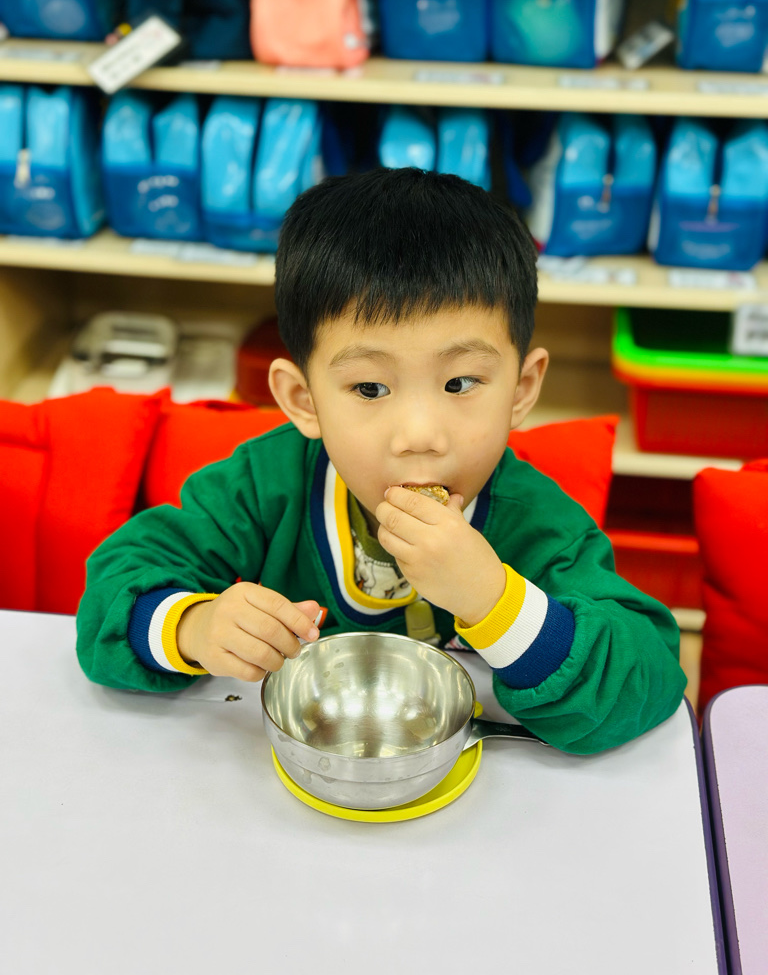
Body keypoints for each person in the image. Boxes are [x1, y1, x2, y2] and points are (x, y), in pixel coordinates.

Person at [76, 167, 686, 753]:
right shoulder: (264, 487)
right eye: (370, 388)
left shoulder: (539, 523)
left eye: (461, 383)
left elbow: (650, 677)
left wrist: (496, 601)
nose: (419, 436)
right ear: (303, 400)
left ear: (521, 390)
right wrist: (194, 627)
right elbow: (110, 596)